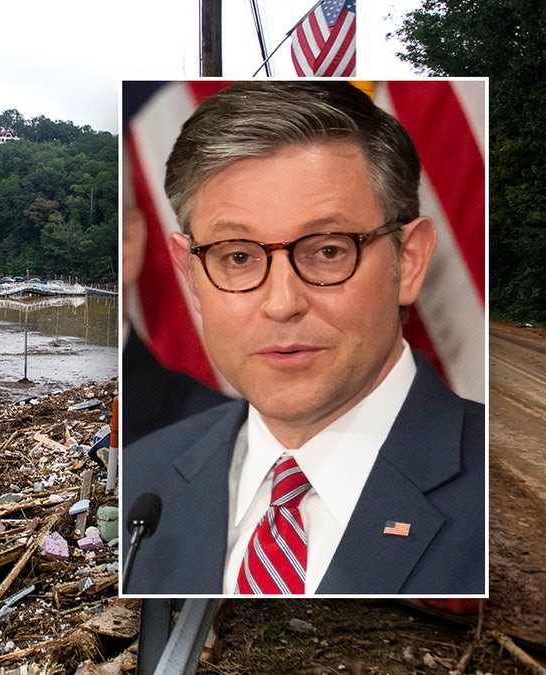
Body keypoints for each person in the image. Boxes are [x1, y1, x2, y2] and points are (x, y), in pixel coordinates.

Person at [121, 81, 484, 595]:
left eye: (329, 251)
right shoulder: (139, 479)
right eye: (239, 257)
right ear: (191, 274)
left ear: (408, 260)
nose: (282, 302)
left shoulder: (506, 495)